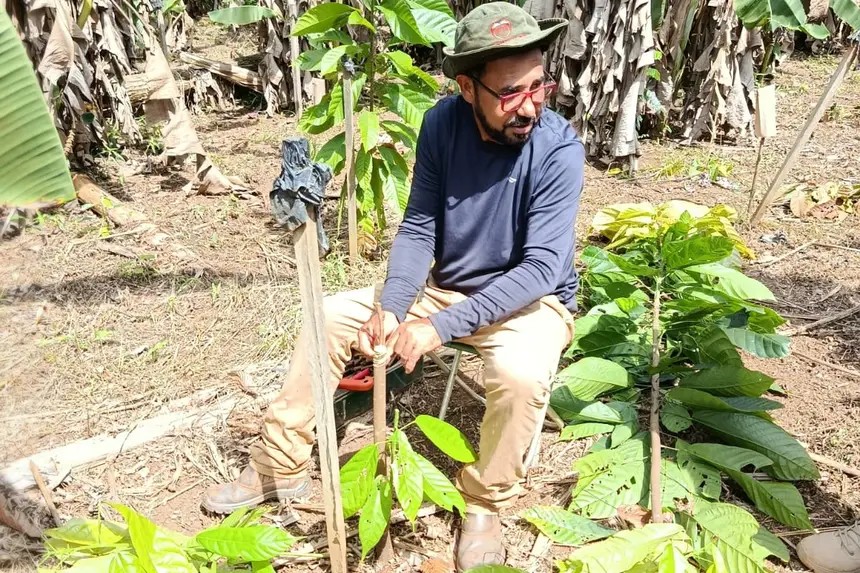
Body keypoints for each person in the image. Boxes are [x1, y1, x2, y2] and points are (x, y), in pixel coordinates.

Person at [202, 2, 585, 569]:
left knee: (520, 373)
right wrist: (394, 304)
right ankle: (279, 465)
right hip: (448, 287)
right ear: (466, 87)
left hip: (529, 302)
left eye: (538, 88)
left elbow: (539, 269)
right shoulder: (440, 124)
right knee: (329, 316)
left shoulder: (557, 149)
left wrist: (439, 327)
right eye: (510, 93)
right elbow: (419, 224)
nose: (528, 105)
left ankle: (486, 501)